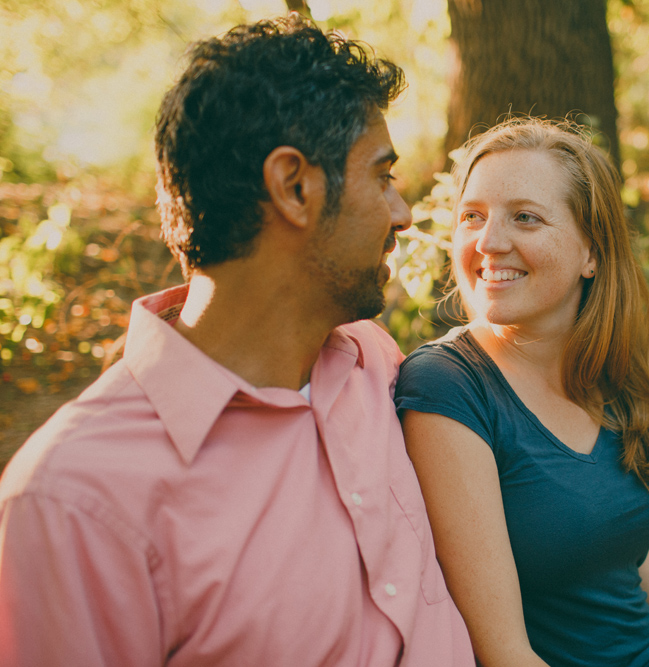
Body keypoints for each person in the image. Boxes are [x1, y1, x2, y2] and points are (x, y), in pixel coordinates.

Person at [0, 15, 474, 666]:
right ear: (294, 187)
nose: (403, 213)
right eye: (382, 176)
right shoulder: (75, 502)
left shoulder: (374, 360)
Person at [394, 118, 649, 667]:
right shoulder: (450, 387)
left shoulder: (608, 369)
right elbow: (504, 654)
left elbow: (626, 554)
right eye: (472, 216)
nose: (488, 242)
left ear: (591, 252)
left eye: (525, 217)